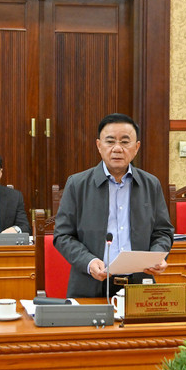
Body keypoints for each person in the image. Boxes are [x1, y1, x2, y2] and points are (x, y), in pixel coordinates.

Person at [54, 113, 174, 297]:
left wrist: (157, 256)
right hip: (91, 284)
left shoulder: (151, 184)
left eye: (125, 142)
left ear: (136, 147)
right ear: (99, 146)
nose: (117, 148)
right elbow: (63, 235)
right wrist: (89, 261)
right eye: (110, 141)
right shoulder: (77, 184)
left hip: (139, 284)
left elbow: (163, 232)